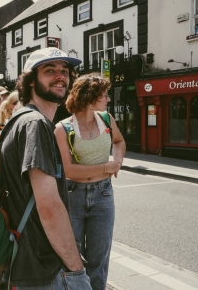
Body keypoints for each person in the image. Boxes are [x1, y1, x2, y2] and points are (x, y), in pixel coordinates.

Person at [0, 47, 93, 289]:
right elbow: (49, 206)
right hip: (43, 268)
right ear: (31, 81)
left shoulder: (18, 121)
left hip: (24, 263)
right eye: (50, 71)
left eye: (65, 71)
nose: (60, 76)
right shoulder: (35, 125)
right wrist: (76, 269)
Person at [54, 74, 125, 290]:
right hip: (73, 195)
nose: (108, 99)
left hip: (103, 194)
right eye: (104, 95)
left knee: (99, 258)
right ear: (90, 97)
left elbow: (119, 141)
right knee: (72, 258)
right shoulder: (63, 128)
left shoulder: (106, 119)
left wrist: (118, 161)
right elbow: (69, 170)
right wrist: (106, 167)